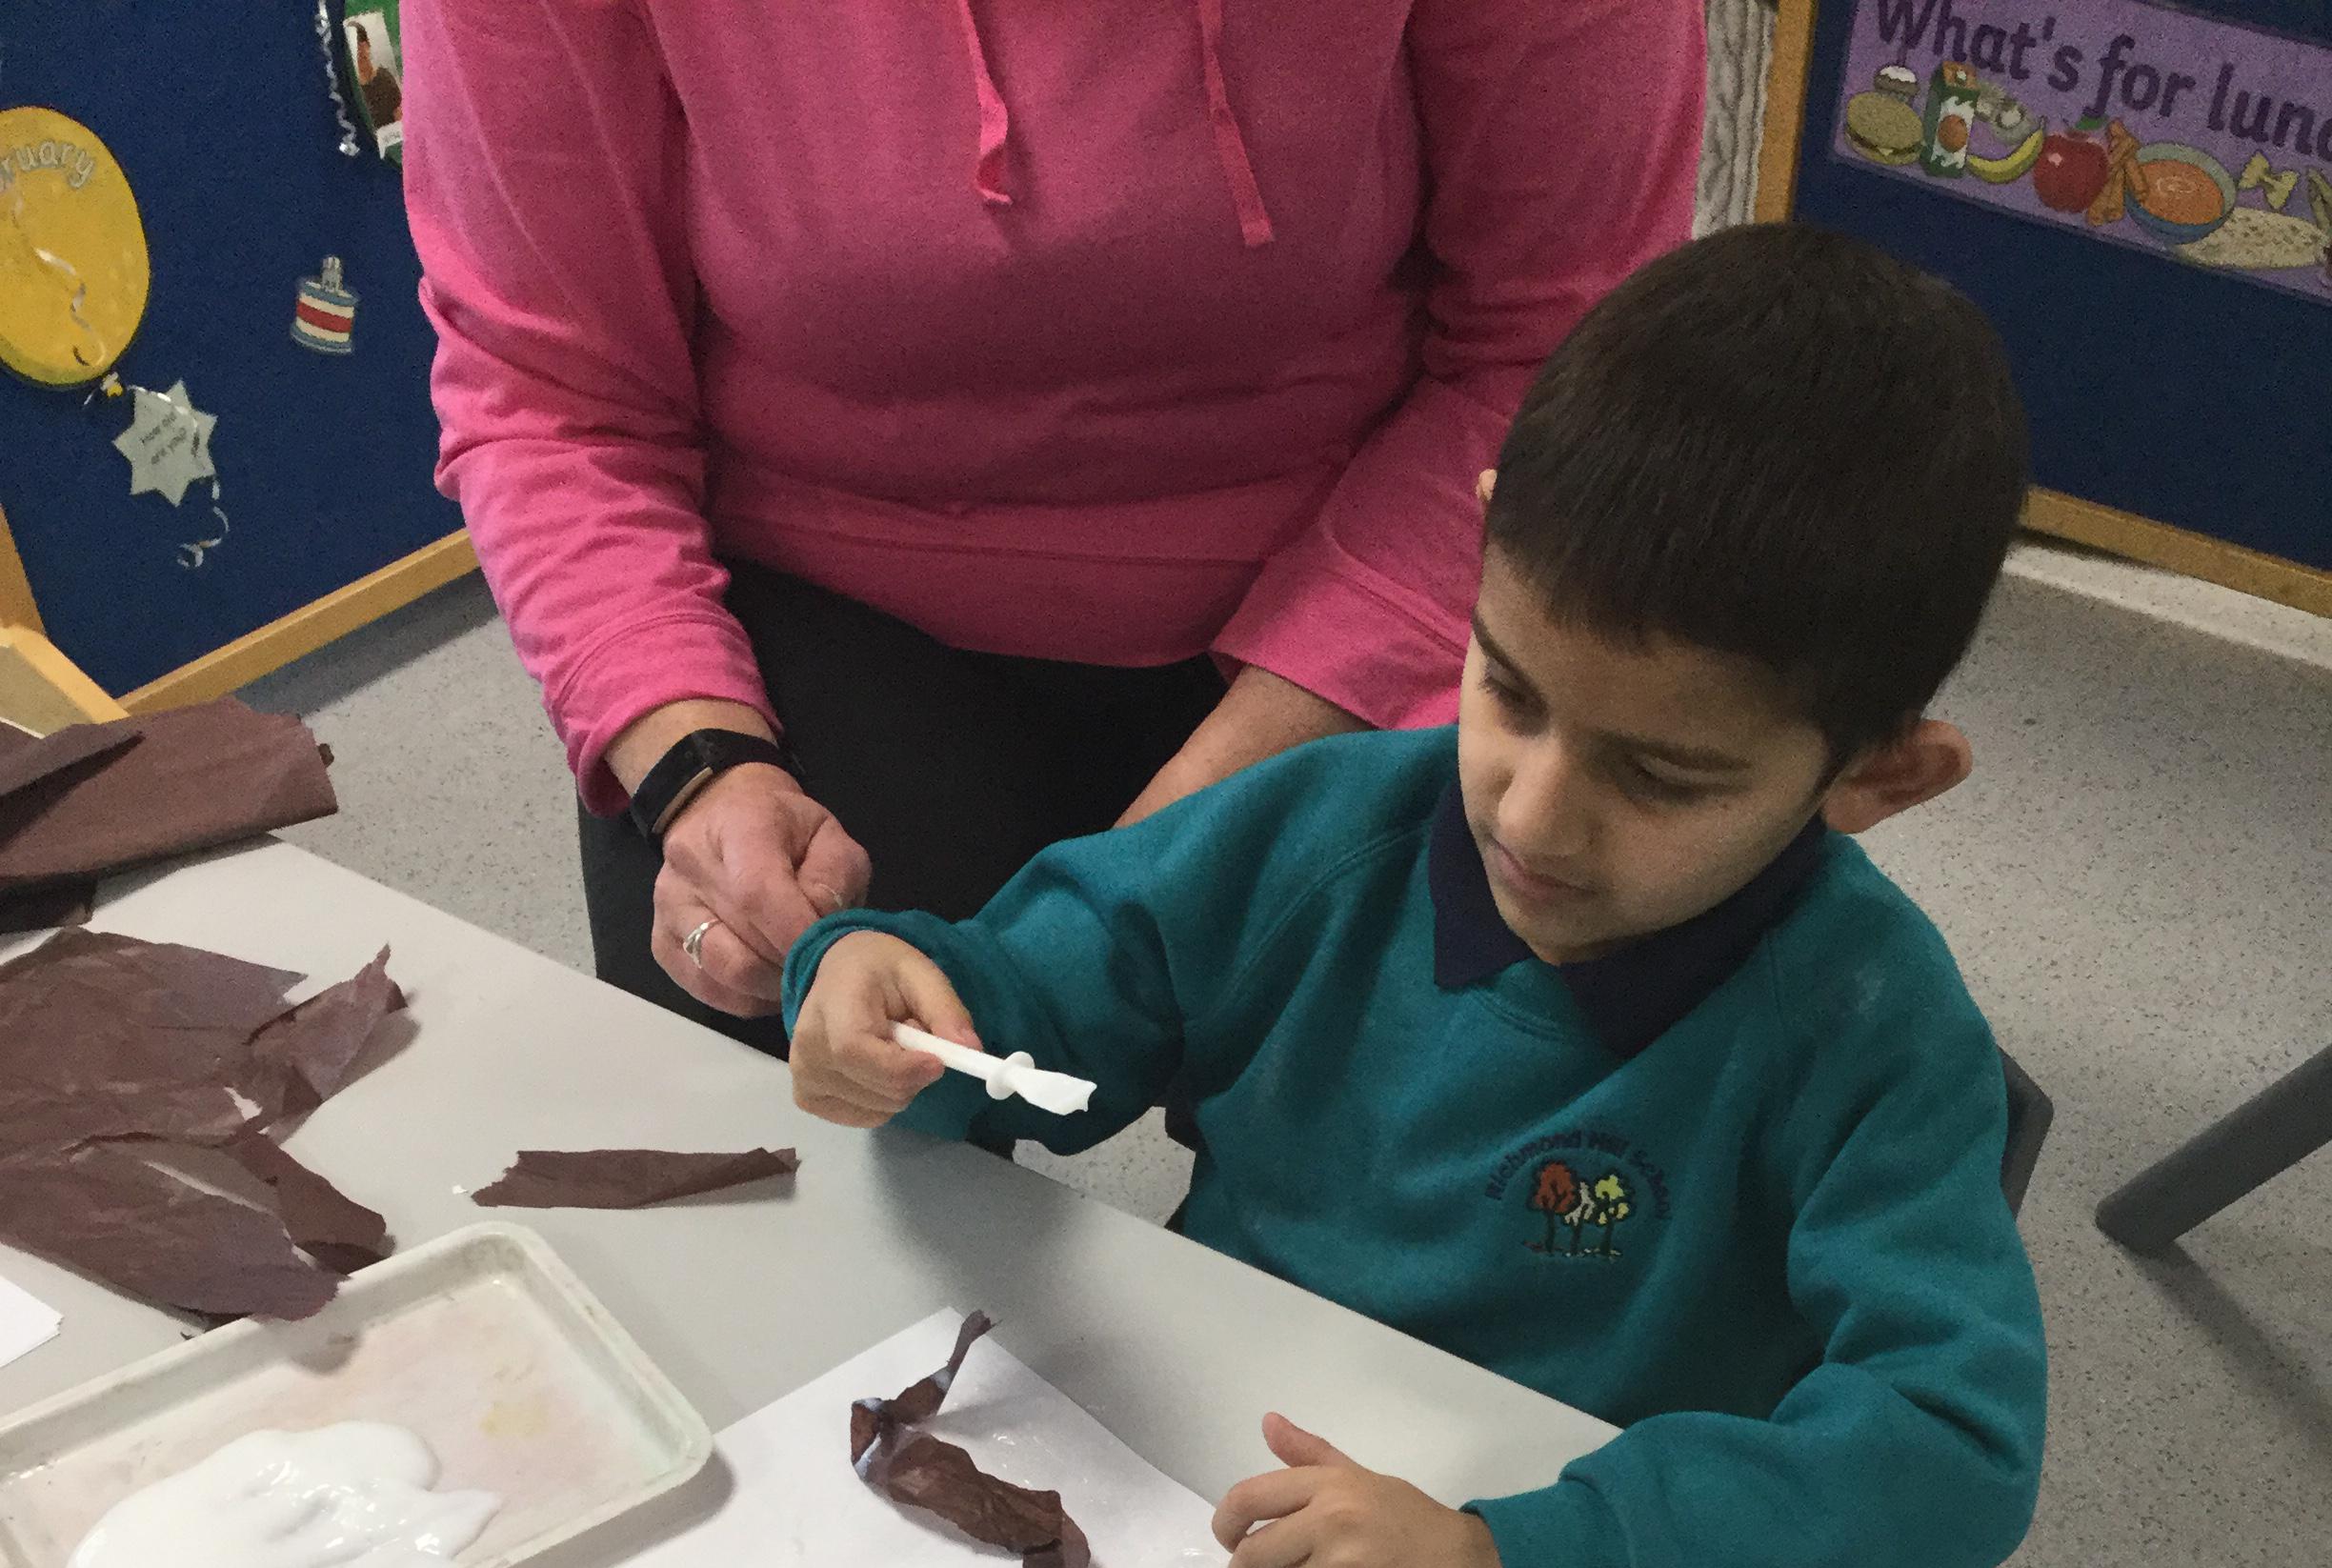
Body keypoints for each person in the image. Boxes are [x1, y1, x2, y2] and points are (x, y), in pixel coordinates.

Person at [782, 226, 2049, 1568]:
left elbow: (1950, 1443)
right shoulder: (1318, 834)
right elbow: (1018, 1009)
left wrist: (1516, 1566)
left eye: (1661, 779)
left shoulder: (1873, 1031)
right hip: (1202, 1525)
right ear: (1482, 546)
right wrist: (884, 1002)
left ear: (1880, 778)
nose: (1534, 816)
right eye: (1510, 691)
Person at [400, 2, 1704, 1034]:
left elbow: (1560, 346)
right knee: (767, 1179)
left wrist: (1218, 798)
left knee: (1426, 1198)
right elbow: (556, 394)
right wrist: (698, 764)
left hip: (1374, 572)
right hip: (811, 610)